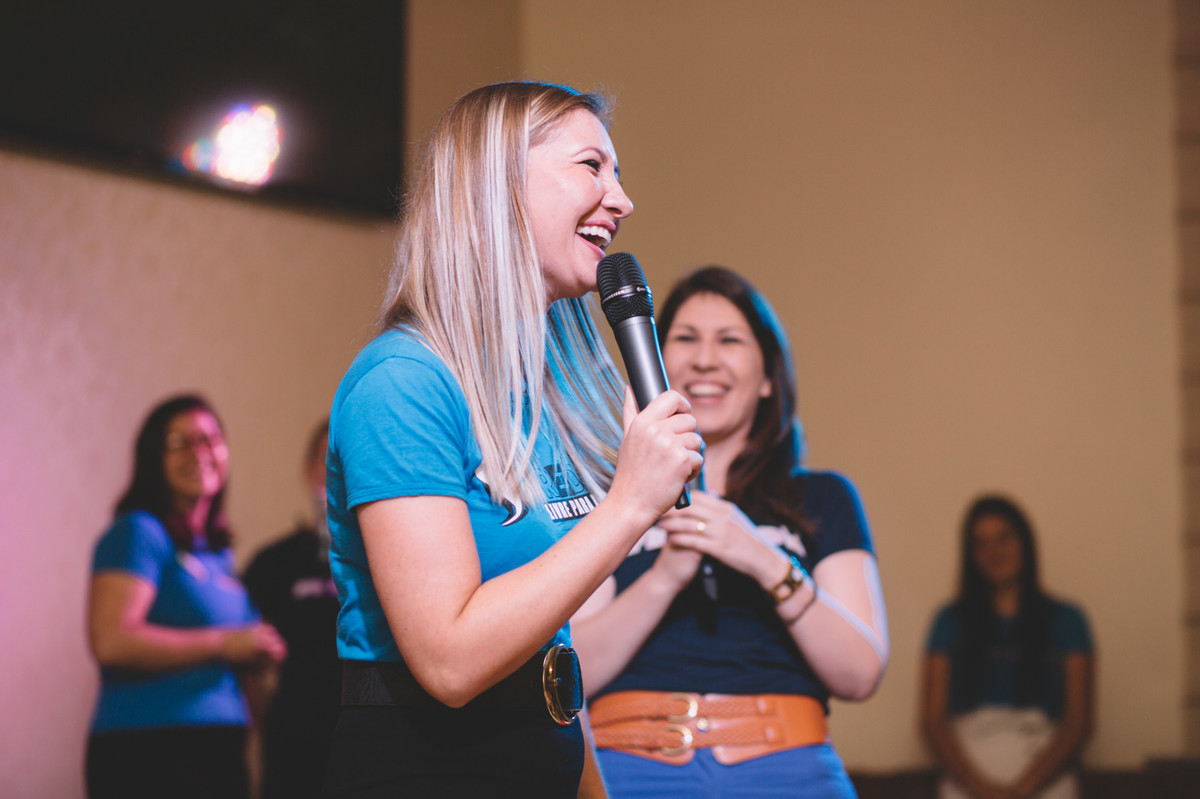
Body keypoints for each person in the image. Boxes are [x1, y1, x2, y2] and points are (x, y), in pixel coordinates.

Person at [321, 80, 703, 798]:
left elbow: (545, 645)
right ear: (497, 188)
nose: (622, 201)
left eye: (617, 174)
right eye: (593, 167)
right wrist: (627, 506)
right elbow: (452, 662)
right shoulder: (403, 382)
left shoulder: (534, 396)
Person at [572, 266, 890, 798]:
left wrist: (762, 558)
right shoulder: (608, 497)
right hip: (630, 766)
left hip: (788, 765)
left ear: (768, 376)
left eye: (729, 340)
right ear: (656, 362)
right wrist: (664, 577)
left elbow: (859, 674)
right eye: (685, 339)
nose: (704, 359)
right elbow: (571, 672)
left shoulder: (823, 498)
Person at [85, 394, 287, 799]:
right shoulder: (139, 532)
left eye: (211, 439)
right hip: (150, 749)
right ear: (153, 457)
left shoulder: (218, 555)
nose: (200, 452)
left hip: (220, 747)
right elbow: (111, 641)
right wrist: (227, 643)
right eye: (180, 442)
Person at [920, 495, 1094, 799]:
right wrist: (980, 788)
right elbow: (932, 722)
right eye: (981, 543)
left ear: (1024, 543)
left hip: (1045, 774)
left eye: (1004, 538)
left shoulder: (1067, 620)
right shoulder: (949, 622)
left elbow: (1078, 722)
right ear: (970, 554)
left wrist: (1024, 788)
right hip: (968, 772)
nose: (994, 552)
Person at [243, 418, 340, 799]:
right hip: (292, 744)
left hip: (367, 742)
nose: (336, 473)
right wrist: (267, 717)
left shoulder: (390, 558)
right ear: (309, 470)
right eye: (326, 459)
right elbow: (244, 659)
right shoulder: (273, 562)